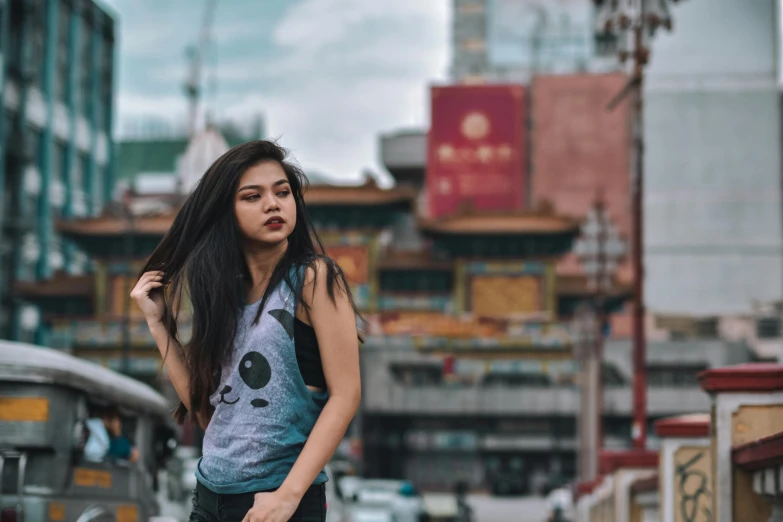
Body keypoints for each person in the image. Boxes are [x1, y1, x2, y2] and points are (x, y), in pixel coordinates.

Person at [131, 140, 362, 522]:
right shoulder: (220, 296)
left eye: (282, 192)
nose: (273, 204)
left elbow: (346, 394)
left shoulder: (313, 278)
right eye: (252, 196)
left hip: (278, 502)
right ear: (228, 212)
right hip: (208, 499)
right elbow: (208, 413)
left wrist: (287, 497)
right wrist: (159, 324)